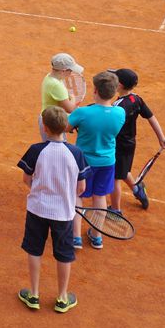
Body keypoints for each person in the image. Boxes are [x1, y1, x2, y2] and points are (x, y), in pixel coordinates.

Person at [17, 106, 87, 315]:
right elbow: (81, 189)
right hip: (64, 214)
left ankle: (34, 294)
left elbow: (26, 179)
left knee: (34, 249)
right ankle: (62, 298)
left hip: (37, 209)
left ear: (45, 128)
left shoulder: (35, 150)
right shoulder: (76, 153)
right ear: (66, 127)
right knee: (64, 254)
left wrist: (39, 189)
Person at [67, 71, 126, 250]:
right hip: (107, 162)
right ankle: (96, 236)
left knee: (77, 195)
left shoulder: (83, 113)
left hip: (83, 162)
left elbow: (66, 127)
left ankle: (75, 237)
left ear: (95, 91)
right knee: (100, 197)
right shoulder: (120, 113)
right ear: (115, 92)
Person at [108, 68, 165, 214]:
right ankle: (137, 189)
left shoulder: (118, 107)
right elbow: (151, 118)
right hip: (130, 144)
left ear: (120, 85)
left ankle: (115, 210)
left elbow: (109, 125)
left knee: (115, 178)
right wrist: (161, 137)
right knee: (123, 171)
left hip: (117, 146)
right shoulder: (136, 99)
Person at [40, 53, 84, 140]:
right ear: (63, 71)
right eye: (70, 70)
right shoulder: (56, 85)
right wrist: (73, 98)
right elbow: (70, 108)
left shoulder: (49, 77)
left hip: (49, 119)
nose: (71, 72)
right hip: (52, 123)